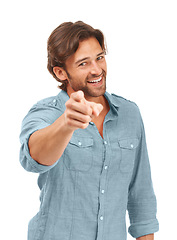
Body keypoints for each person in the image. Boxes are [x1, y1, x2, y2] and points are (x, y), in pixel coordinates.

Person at [19, 21, 159, 240]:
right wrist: (66, 124)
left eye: (100, 57)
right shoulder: (47, 113)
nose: (97, 69)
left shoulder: (130, 114)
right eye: (83, 63)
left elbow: (141, 193)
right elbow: (33, 158)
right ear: (61, 72)